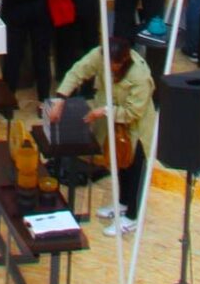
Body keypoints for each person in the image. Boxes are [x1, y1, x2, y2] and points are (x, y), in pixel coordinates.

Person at [46, 36, 155, 236]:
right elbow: (79, 71)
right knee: (120, 164)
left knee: (135, 168)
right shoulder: (101, 55)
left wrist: (104, 111)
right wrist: (61, 98)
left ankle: (132, 216)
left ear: (123, 61)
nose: (107, 68)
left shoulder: (139, 76)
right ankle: (121, 204)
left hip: (136, 129)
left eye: (111, 65)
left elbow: (133, 113)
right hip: (113, 124)